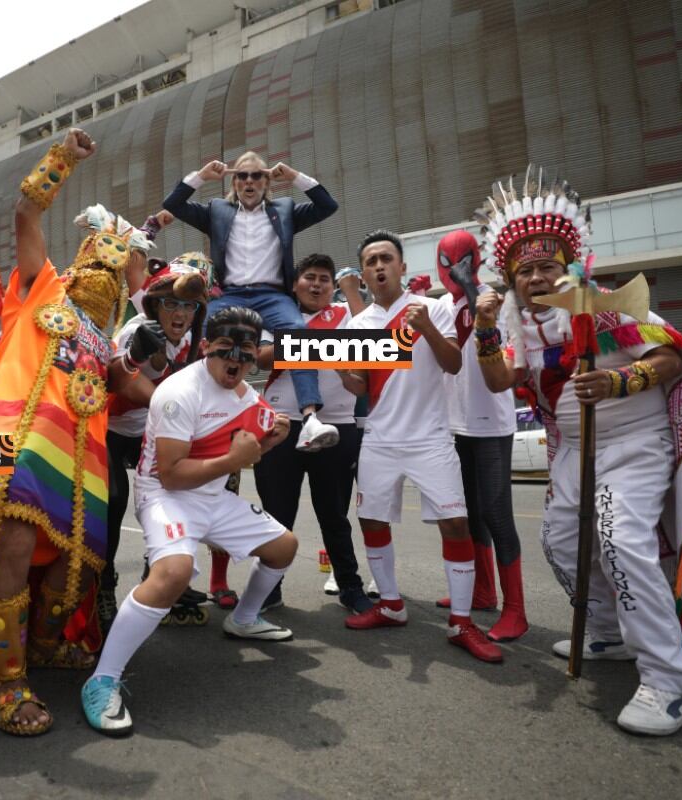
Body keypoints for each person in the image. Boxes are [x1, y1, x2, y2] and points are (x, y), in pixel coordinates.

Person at [472, 166, 682, 734]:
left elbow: (672, 356)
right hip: (574, 450)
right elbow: (499, 382)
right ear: (513, 280)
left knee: (618, 538)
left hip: (636, 444)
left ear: (567, 268)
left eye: (547, 266)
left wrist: (622, 381)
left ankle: (669, 682)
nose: (537, 278)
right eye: (525, 270)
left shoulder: (605, 307)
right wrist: (487, 330)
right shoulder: (520, 328)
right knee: (562, 542)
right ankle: (609, 632)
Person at [0, 129, 156, 737]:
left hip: (78, 463)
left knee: (75, 567)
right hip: (14, 442)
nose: (102, 272)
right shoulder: (42, 286)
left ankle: (40, 646)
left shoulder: (106, 342)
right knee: (9, 548)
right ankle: (4, 684)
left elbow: (145, 393)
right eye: (94, 258)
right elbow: (26, 210)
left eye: (114, 271)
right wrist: (62, 157)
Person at [81, 306, 296, 736]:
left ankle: (245, 619)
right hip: (167, 496)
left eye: (246, 352)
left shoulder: (248, 396)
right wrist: (236, 459)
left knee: (283, 546)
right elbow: (172, 474)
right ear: (204, 348)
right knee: (174, 572)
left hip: (212, 495)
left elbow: (246, 453)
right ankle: (102, 679)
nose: (234, 359)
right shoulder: (178, 392)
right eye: (224, 350)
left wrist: (272, 440)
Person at [338, 230, 503, 664]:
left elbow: (452, 364)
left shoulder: (434, 308)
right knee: (372, 520)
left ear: (401, 266)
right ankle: (391, 604)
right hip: (379, 438)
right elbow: (361, 385)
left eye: (386, 258)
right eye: (371, 260)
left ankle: (463, 621)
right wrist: (341, 372)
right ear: (365, 272)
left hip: (430, 438)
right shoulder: (356, 325)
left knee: (455, 525)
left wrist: (426, 327)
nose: (379, 266)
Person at [162, 151, 340, 452]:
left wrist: (296, 176)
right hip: (230, 293)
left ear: (266, 180)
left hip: (271, 295)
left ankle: (309, 418)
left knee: (298, 332)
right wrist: (202, 176)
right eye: (241, 175)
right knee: (198, 329)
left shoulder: (284, 210)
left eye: (256, 175)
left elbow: (328, 205)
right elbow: (173, 204)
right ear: (233, 181)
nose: (248, 181)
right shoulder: (218, 211)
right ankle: (187, 410)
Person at [253, 254, 374, 614]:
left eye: (325, 278)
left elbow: (377, 349)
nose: (317, 284)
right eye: (310, 277)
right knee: (275, 515)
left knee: (334, 515)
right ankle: (268, 591)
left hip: (337, 426)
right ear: (295, 284)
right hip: (279, 426)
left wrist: (299, 344)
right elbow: (260, 358)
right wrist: (324, 346)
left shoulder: (345, 315)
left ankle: (350, 586)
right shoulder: (275, 315)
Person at [102, 252, 215, 633]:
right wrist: (172, 403)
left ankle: (163, 579)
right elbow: (124, 384)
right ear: (155, 305)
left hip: (152, 430)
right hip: (113, 428)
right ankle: (102, 588)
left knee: (182, 494)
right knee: (113, 502)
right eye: (171, 303)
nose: (179, 313)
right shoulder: (137, 331)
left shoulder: (192, 340)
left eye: (187, 305)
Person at [435, 229, 529, 642]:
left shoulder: (499, 303)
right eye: (448, 261)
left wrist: (476, 291)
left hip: (490, 425)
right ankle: (483, 591)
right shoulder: (439, 307)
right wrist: (304, 352)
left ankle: (516, 610)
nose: (455, 269)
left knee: (496, 512)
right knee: (470, 512)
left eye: (463, 260)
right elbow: (392, 349)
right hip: (453, 425)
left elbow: (512, 360)